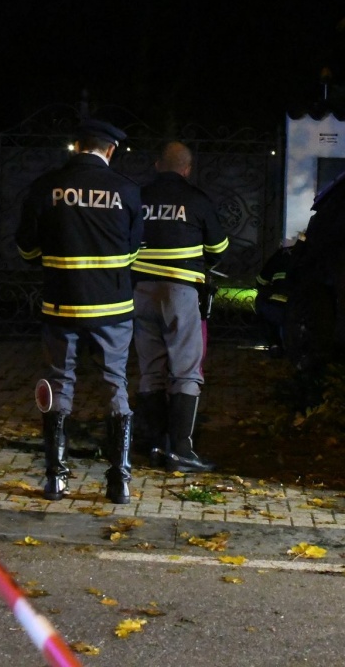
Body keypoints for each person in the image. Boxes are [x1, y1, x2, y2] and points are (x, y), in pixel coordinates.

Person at [15, 120, 143, 503]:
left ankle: (55, 478)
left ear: (77, 146)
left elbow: (26, 249)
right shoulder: (127, 190)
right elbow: (133, 252)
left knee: (58, 383)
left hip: (62, 303)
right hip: (113, 308)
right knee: (114, 384)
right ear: (110, 150)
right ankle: (118, 481)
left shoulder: (44, 187)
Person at [130, 141, 228, 473]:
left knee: (150, 369)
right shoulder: (196, 199)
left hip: (140, 290)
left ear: (158, 164)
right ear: (186, 169)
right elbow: (218, 247)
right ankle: (182, 451)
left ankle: (155, 445)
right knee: (186, 369)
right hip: (181, 291)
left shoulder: (138, 196)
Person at [254, 235, 299, 356]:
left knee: (263, 305)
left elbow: (261, 280)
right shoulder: (312, 256)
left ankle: (274, 344)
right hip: (304, 309)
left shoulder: (282, 254)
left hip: (279, 306)